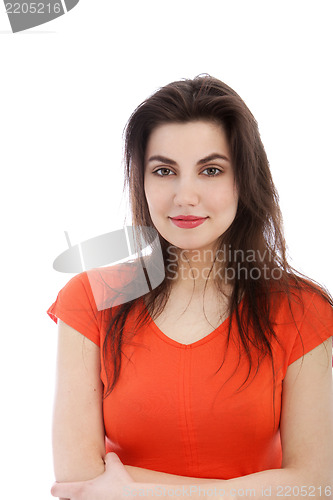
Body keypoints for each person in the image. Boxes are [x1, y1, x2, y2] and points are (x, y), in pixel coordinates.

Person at [47, 75, 333, 500]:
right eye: (164, 170)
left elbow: (317, 482)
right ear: (141, 180)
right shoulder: (91, 298)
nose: (185, 196)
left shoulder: (302, 311)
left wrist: (146, 493)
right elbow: (77, 480)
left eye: (211, 170)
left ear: (244, 180)